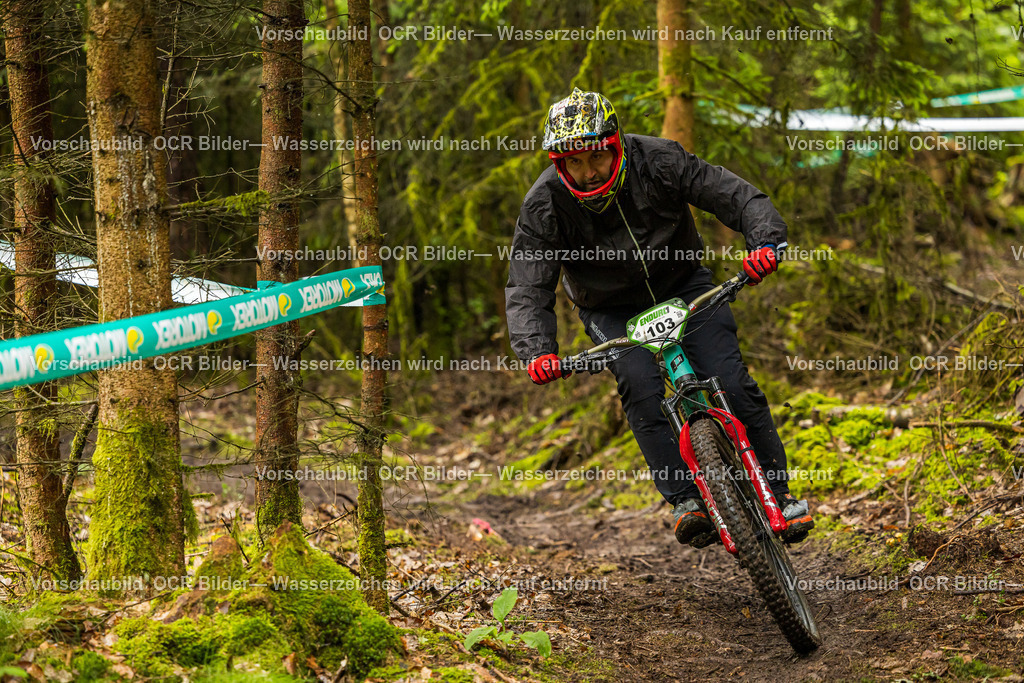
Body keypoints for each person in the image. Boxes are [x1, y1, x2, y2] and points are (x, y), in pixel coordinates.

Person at [505, 88, 814, 545]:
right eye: (574, 162)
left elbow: (734, 195)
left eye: (596, 157)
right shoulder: (544, 203)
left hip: (683, 285)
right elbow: (527, 284)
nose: (588, 172)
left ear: (615, 146)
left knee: (730, 379)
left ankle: (779, 494)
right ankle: (687, 501)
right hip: (610, 308)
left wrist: (764, 241)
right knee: (640, 386)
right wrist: (537, 350)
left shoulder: (659, 160)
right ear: (559, 162)